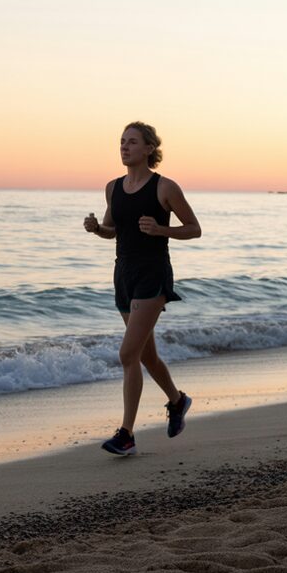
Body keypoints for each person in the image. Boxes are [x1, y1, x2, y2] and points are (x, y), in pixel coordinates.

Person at [83, 122, 201, 456]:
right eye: (121, 142)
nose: (124, 147)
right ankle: (177, 402)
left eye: (132, 142)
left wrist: (161, 229)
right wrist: (96, 229)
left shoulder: (165, 187)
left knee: (127, 354)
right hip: (123, 274)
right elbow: (112, 230)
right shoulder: (113, 188)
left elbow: (194, 229)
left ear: (149, 148)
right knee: (145, 355)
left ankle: (127, 434)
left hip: (153, 274)